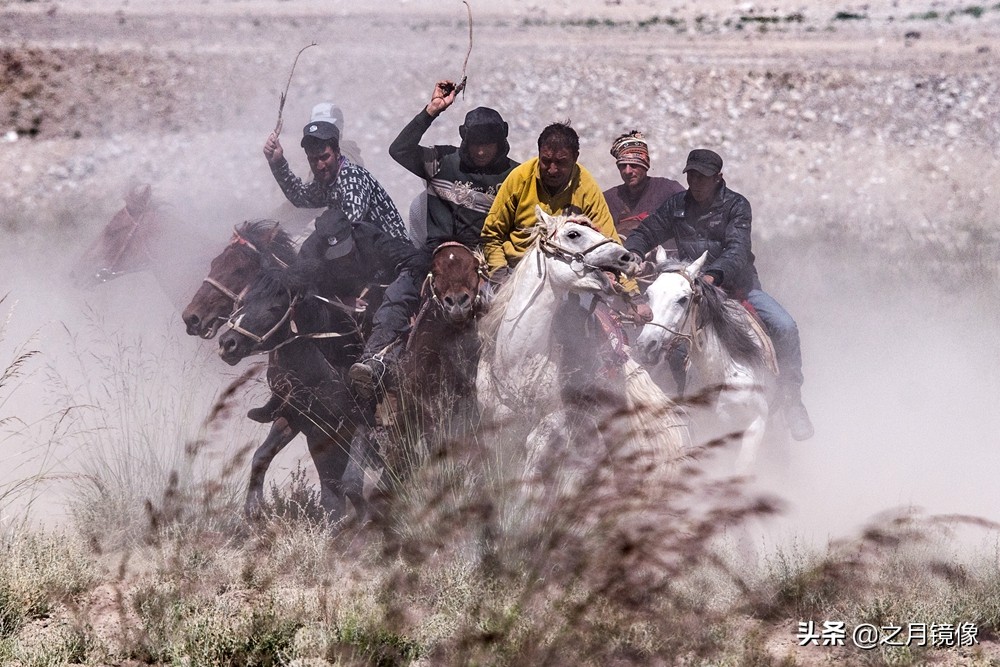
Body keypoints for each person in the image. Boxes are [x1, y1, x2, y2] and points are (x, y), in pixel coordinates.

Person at [623, 149, 814, 441]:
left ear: (718, 178)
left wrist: (713, 276)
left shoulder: (736, 205)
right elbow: (648, 231)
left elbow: (738, 250)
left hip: (738, 288)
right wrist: (634, 251)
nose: (695, 182)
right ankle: (682, 408)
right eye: (691, 175)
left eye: (702, 177)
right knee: (670, 338)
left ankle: (792, 401)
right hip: (693, 293)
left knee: (784, 325)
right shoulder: (676, 205)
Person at [295, 205, 429, 399]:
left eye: (345, 250)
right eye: (335, 254)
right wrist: (340, 301)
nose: (342, 258)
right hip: (339, 314)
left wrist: (401, 295)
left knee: (393, 306)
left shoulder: (368, 235)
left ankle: (376, 363)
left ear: (352, 232)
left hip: (384, 301)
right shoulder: (311, 251)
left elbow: (415, 260)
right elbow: (303, 291)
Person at [481, 122, 633, 287]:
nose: (552, 170)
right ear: (539, 153)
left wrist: (632, 292)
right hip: (515, 271)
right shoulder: (520, 178)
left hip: (568, 279)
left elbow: (609, 242)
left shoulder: (586, 187)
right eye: (546, 161)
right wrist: (500, 276)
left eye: (561, 162)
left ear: (575, 158)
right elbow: (492, 234)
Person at [389, 79, 519, 250]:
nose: (480, 152)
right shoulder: (441, 161)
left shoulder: (517, 176)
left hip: (492, 259)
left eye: (487, 145)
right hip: (437, 256)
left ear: (500, 143)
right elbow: (399, 150)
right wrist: (431, 111)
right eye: (475, 144)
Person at [263, 102, 408, 242]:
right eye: (313, 158)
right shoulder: (328, 180)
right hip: (356, 247)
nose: (320, 165)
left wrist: (314, 232)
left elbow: (349, 222)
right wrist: (277, 161)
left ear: (337, 151)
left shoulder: (351, 175)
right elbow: (299, 196)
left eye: (324, 157)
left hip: (390, 254)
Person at [603, 130, 683, 239]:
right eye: (622, 165)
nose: (627, 171)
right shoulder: (609, 199)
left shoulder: (669, 190)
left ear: (646, 164)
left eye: (633, 165)